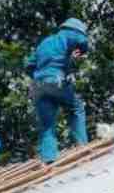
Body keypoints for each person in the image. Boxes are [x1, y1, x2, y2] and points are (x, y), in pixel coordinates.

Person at [24, 18, 90, 164]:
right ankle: (82, 146)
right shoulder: (71, 34)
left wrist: (41, 76)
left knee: (47, 125)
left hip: (38, 85)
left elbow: (28, 65)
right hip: (56, 80)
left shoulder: (45, 42)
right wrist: (82, 51)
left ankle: (48, 158)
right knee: (76, 108)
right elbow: (83, 43)